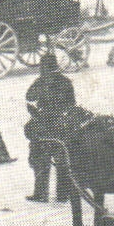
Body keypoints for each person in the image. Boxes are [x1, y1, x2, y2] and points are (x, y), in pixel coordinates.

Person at [24, 50, 76, 201]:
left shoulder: (41, 81)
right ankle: (63, 194)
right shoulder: (66, 82)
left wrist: (36, 112)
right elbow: (72, 104)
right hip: (61, 127)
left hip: (43, 126)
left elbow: (29, 97)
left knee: (40, 159)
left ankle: (41, 193)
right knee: (62, 161)